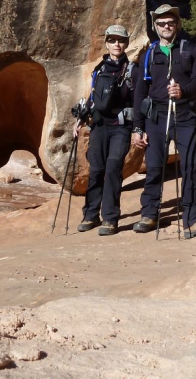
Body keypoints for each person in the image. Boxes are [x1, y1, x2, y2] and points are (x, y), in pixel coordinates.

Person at [132, 4, 196, 238]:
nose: (166, 26)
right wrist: (138, 127)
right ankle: (149, 213)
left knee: (190, 164)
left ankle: (192, 218)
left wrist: (183, 91)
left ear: (177, 24)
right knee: (155, 166)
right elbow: (140, 92)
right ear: (155, 27)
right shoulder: (149, 54)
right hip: (156, 116)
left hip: (185, 115)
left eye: (170, 22)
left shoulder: (191, 50)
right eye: (161, 23)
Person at [73, 25, 137, 236]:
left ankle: (110, 218)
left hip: (120, 127)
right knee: (97, 170)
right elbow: (93, 98)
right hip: (99, 126)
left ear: (126, 43)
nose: (116, 44)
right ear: (107, 43)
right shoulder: (99, 69)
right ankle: (91, 215)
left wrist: (139, 128)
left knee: (112, 168)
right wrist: (81, 119)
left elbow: (139, 101)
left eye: (120, 40)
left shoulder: (131, 70)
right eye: (112, 40)